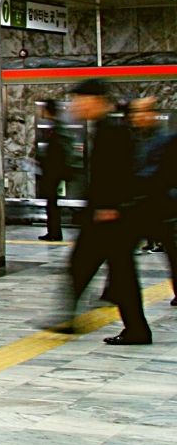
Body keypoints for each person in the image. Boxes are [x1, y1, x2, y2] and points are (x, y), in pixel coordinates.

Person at [61, 80, 153, 344]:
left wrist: (108, 207)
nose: (77, 105)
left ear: (96, 100)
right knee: (106, 271)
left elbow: (118, 173)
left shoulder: (112, 130)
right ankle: (70, 319)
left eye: (80, 100)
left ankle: (135, 329)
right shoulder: (106, 127)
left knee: (110, 272)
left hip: (111, 217)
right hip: (109, 214)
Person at [130, 98, 176, 302]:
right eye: (135, 112)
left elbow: (159, 173)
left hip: (164, 206)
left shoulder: (166, 139)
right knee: (120, 253)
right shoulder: (135, 140)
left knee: (174, 254)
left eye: (142, 112)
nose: (138, 117)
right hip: (142, 206)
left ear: (152, 114)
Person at [37, 98, 71, 241]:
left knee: (52, 204)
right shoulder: (57, 126)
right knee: (51, 204)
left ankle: (54, 233)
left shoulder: (57, 128)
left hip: (53, 173)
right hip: (54, 173)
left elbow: (57, 153)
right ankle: (53, 232)